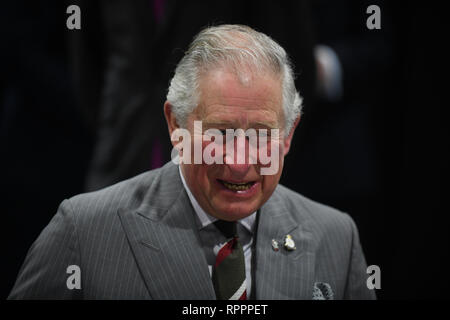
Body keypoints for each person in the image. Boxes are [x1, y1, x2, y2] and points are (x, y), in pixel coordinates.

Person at [9, 25, 375, 300]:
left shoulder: (337, 238)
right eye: (219, 134)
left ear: (289, 134)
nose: (239, 161)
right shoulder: (84, 232)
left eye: (262, 135)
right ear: (176, 125)